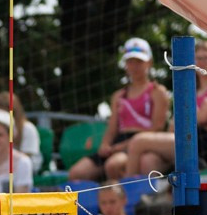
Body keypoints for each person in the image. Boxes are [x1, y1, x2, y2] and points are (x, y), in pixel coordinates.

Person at [69, 39, 169, 185]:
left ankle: (120, 203)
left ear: (149, 63)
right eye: (130, 62)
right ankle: (102, 202)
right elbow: (112, 127)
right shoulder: (118, 96)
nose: (134, 66)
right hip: (119, 141)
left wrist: (122, 147)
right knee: (77, 173)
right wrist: (105, 145)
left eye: (139, 61)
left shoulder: (157, 92)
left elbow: (157, 127)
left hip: (143, 140)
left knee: (114, 165)